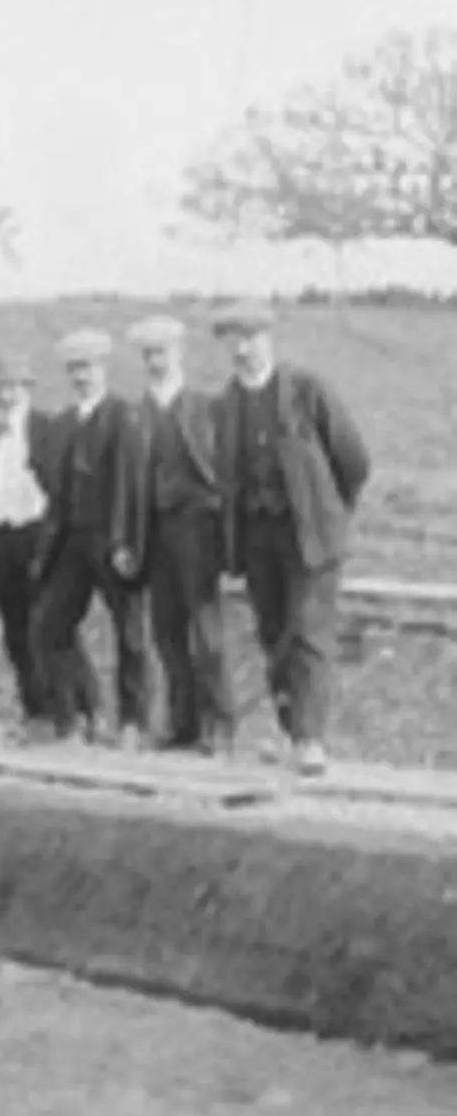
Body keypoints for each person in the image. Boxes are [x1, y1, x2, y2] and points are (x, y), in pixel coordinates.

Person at [211, 300, 370, 776]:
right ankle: (289, 730)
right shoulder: (226, 406)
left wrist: (327, 514)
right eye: (233, 342)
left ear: (268, 340)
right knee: (274, 632)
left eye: (251, 339)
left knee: (307, 633)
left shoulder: (305, 390)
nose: (243, 351)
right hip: (259, 539)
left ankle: (310, 738)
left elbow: (354, 460)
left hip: (311, 538)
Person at [37, 328, 150, 749]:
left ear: (104, 368)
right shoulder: (63, 422)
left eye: (88, 367)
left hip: (110, 539)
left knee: (130, 632)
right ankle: (77, 717)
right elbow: (55, 486)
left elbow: (130, 484)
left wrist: (126, 543)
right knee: (51, 625)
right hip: (71, 541)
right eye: (74, 369)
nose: (81, 376)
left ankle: (133, 722)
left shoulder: (123, 416)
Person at [128, 315, 233, 754]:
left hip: (196, 529)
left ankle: (219, 726)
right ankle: (183, 723)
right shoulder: (136, 415)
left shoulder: (205, 408)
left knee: (206, 630)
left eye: (163, 352)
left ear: (180, 354)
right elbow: (126, 487)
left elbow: (225, 474)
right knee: (167, 631)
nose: (156, 361)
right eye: (149, 354)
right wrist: (127, 539)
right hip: (155, 532)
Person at [0, 352, 71, 737]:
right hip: (0, 538)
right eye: (1, 389)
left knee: (48, 625)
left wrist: (48, 534)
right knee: (15, 628)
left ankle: (71, 710)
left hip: (36, 535)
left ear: (28, 389)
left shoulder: (45, 429)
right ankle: (35, 711)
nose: (7, 396)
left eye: (14, 388)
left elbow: (58, 486)